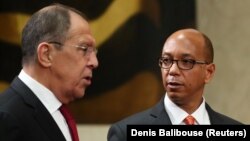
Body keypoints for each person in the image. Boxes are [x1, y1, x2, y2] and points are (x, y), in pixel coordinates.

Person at [107, 28, 242, 141]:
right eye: (166, 61)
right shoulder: (125, 133)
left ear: (209, 72)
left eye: (186, 62)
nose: (172, 71)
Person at [0, 3, 98, 141]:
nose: (94, 62)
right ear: (46, 55)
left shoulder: (58, 111)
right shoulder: (6, 118)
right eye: (84, 48)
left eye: (94, 51)